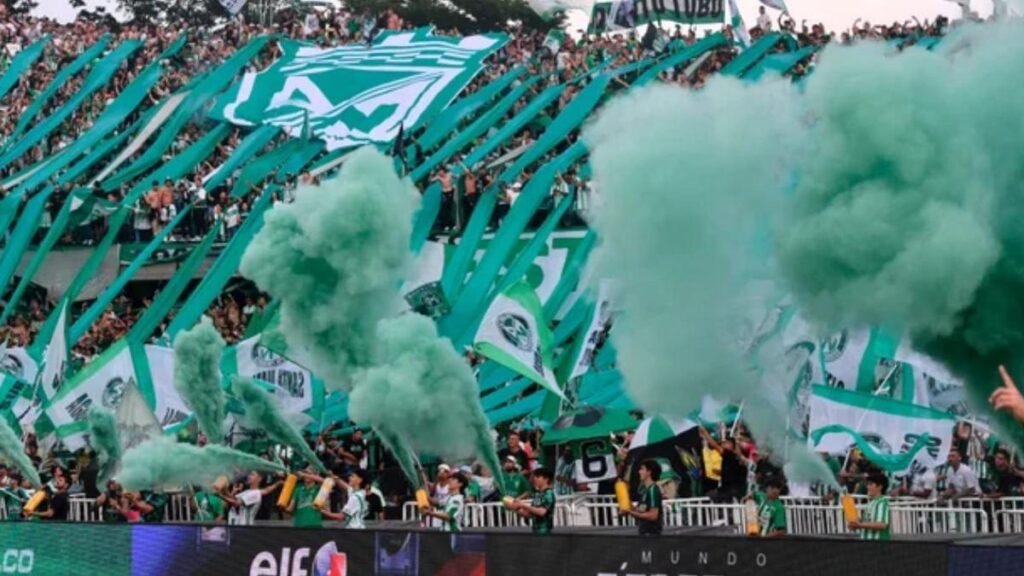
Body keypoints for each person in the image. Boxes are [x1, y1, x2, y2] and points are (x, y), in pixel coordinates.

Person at [509, 467, 556, 535]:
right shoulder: (537, 494)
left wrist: (523, 505)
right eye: (535, 476)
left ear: (546, 479)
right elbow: (530, 514)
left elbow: (542, 512)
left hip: (545, 531)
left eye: (538, 477)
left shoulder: (548, 494)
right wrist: (515, 508)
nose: (535, 479)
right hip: (535, 531)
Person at [623, 460, 664, 536]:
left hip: (652, 534)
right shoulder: (644, 491)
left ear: (649, 472)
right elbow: (639, 510)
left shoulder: (653, 490)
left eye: (642, 469)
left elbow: (653, 515)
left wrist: (633, 513)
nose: (639, 472)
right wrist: (626, 506)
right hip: (644, 533)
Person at [849, 474, 891, 541]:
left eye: (871, 484)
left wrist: (859, 525)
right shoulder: (870, 503)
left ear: (880, 487)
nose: (867, 487)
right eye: (867, 484)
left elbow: (882, 524)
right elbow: (869, 522)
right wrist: (856, 523)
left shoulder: (882, 503)